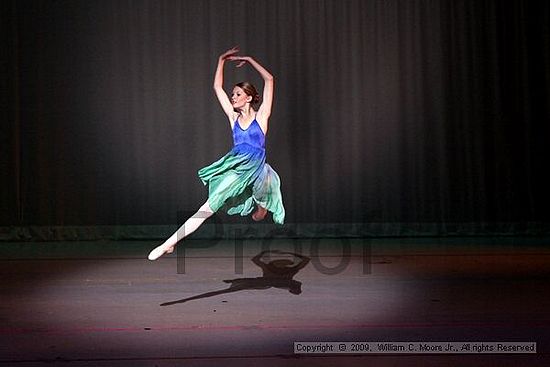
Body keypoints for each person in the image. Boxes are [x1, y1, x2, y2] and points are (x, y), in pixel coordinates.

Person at [148, 47, 285, 261]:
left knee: (259, 215)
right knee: (207, 207)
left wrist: (249, 59)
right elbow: (217, 87)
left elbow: (269, 80)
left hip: (259, 172)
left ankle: (261, 209)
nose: (233, 97)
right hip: (238, 171)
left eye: (238, 94)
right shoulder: (233, 118)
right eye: (233, 94)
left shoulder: (261, 118)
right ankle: (169, 243)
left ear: (248, 98)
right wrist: (221, 60)